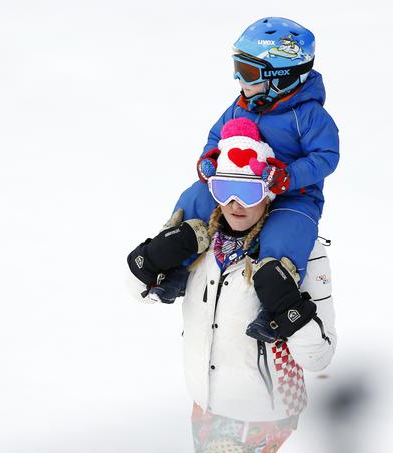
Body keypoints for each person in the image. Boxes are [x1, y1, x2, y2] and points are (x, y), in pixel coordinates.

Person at [127, 121, 336, 452]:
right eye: (225, 190)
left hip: (267, 415)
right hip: (205, 405)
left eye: (249, 191)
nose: (235, 204)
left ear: (268, 194)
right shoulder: (201, 238)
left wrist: (288, 308)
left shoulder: (300, 251)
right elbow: (137, 292)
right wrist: (151, 259)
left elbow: (320, 357)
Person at [149, 17, 340, 345]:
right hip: (237, 184)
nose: (239, 79)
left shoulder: (309, 116)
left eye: (249, 72)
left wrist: (288, 177)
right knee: (196, 196)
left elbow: (326, 156)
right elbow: (216, 136)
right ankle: (176, 264)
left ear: (281, 77)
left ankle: (275, 303)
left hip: (291, 194)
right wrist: (211, 159)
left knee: (288, 231)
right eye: (237, 68)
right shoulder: (241, 105)